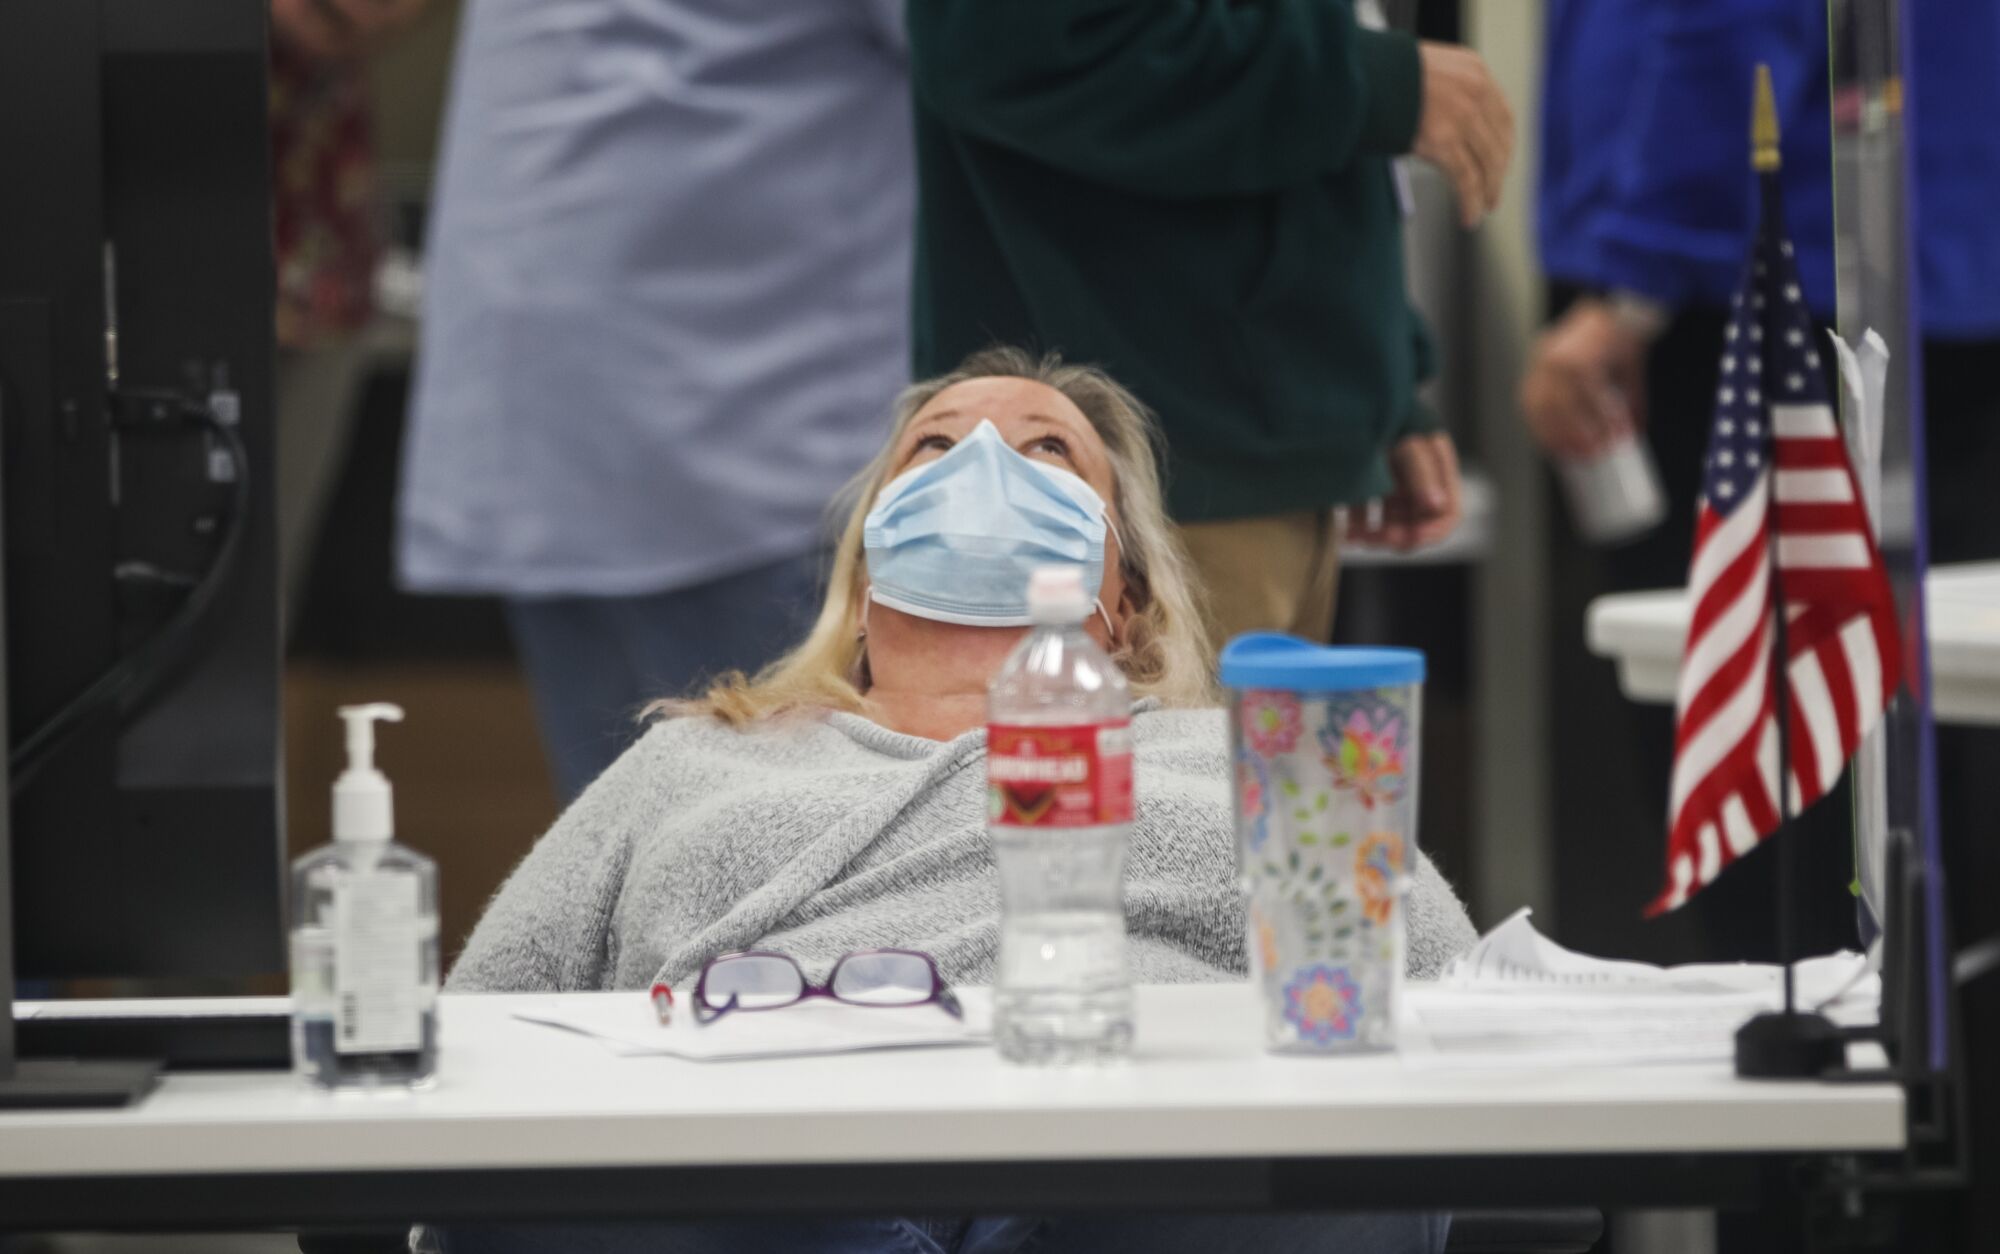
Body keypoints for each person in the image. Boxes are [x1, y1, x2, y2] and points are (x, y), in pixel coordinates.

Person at [443, 348, 1477, 1254]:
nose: (984, 464)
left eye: (1050, 453)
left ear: (1124, 603)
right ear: (860, 581)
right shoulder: (693, 762)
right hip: (761, 1181)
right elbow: (477, 1036)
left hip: (1146, 1183)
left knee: (1338, 1176)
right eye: (932, 449)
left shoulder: (1241, 762)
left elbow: (1446, 1005)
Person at [398, 0, 914, 800]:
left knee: (672, 877)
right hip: (724, 442)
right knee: (769, 883)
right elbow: (1026, 59)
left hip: (605, 421)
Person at [904, 3, 1514, 648]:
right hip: (1128, 474)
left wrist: (1385, 373)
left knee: (1266, 750)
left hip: (1238, 453)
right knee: (1135, 747)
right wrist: (1364, 81)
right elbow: (1020, 45)